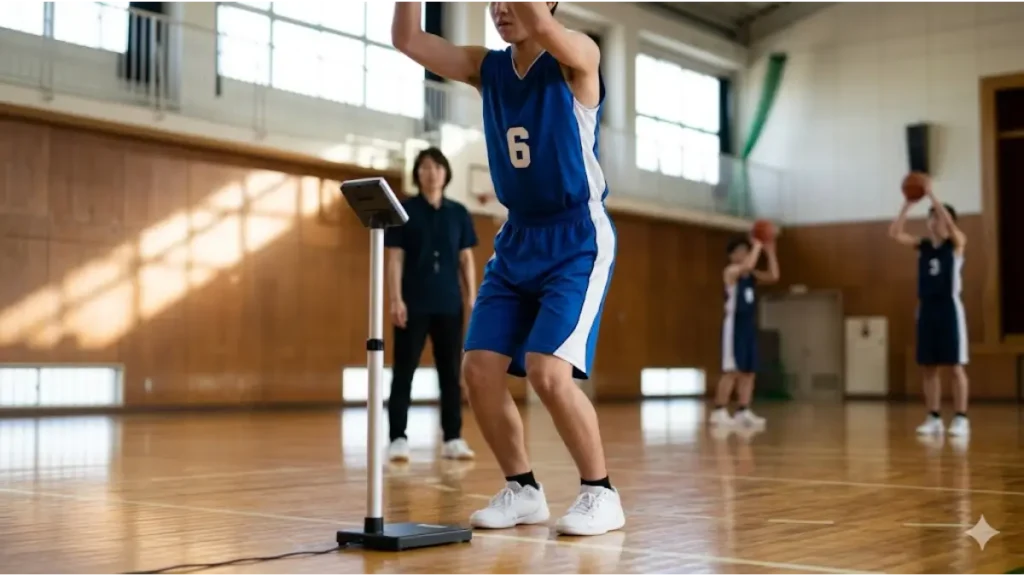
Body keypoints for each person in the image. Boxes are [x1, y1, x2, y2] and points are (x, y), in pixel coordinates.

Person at [393, 0, 623, 536]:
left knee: (547, 371)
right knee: (477, 370)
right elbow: (408, 39)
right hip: (518, 236)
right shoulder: (486, 67)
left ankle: (601, 492)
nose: (500, 7)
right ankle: (523, 489)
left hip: (576, 238)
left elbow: (542, 25)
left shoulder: (578, 56)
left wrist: (538, 14)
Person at [385, 147, 478, 462]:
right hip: (412, 303)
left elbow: (466, 258)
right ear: (417, 174)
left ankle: (453, 437)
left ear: (446, 173)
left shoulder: (459, 213)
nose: (431, 172)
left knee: (450, 372)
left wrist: (472, 295)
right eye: (424, 167)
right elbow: (395, 258)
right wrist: (396, 298)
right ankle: (398, 437)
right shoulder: (403, 210)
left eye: (437, 167)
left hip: (449, 303)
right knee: (403, 372)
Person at [889, 186, 970, 437]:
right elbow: (895, 233)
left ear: (949, 222)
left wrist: (932, 194)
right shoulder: (923, 246)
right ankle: (933, 417)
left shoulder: (956, 244)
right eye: (931, 216)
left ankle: (961, 418)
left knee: (955, 367)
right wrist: (908, 203)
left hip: (949, 309)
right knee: (928, 367)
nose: (935, 220)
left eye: (940, 216)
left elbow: (951, 228)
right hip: (927, 309)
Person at [709, 236, 779, 428]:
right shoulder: (731, 271)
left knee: (749, 372)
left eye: (745, 251)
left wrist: (770, 252)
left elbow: (773, 276)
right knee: (732, 370)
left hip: (748, 325)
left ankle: (743, 410)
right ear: (731, 256)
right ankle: (719, 411)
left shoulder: (751, 275)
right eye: (739, 251)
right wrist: (757, 245)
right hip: (734, 325)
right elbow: (746, 267)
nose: (744, 254)